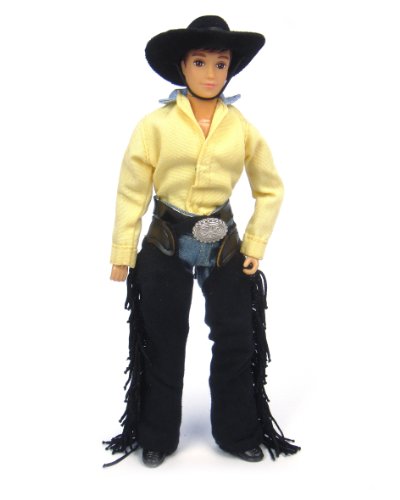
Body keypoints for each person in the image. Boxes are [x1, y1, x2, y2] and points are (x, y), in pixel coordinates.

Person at [103, 15, 300, 468]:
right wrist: (122, 252)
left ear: (230, 69)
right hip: (166, 239)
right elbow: (132, 190)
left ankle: (237, 431)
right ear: (182, 66)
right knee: (161, 335)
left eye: (220, 63)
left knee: (236, 335)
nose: (211, 74)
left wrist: (255, 244)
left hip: (224, 241)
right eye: (199, 62)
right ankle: (155, 434)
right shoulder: (155, 126)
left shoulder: (241, 127)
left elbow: (270, 187)